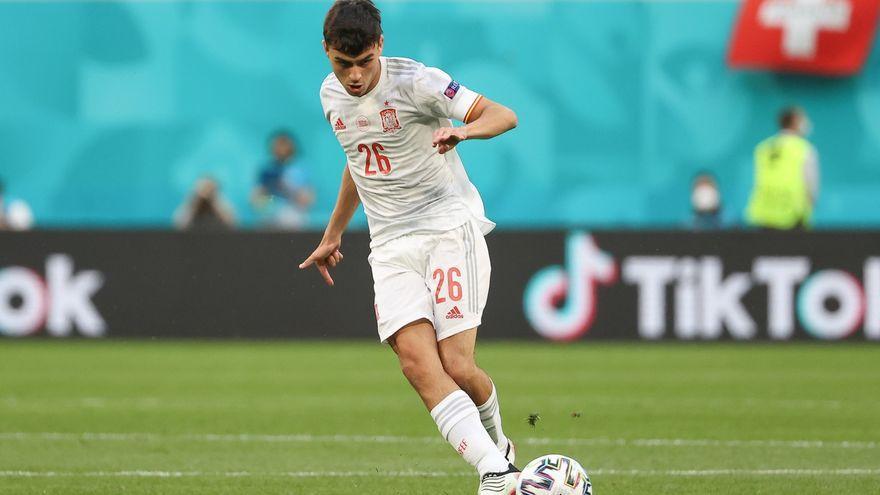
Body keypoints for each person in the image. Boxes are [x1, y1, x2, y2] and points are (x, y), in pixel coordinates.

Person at [298, 1, 520, 493]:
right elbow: (359, 163)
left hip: (446, 229)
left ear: (380, 46)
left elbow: (504, 115)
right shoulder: (329, 95)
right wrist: (333, 233)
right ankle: (496, 473)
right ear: (326, 52)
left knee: (458, 367)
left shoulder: (418, 82)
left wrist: (465, 129)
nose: (354, 76)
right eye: (342, 63)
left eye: (363, 62)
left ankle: (501, 446)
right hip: (390, 244)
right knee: (417, 364)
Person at [745, 106, 820, 230]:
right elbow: (812, 186)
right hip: (793, 216)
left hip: (763, 215)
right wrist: (810, 206)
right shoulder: (805, 149)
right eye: (803, 118)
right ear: (795, 120)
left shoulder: (763, 148)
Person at [251, 130, 315, 230]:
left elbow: (308, 200)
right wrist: (267, 199)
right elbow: (255, 199)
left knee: (291, 218)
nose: (280, 148)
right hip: (271, 215)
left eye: (284, 144)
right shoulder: (267, 170)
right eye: (277, 145)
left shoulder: (300, 169)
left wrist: (289, 186)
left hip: (294, 214)